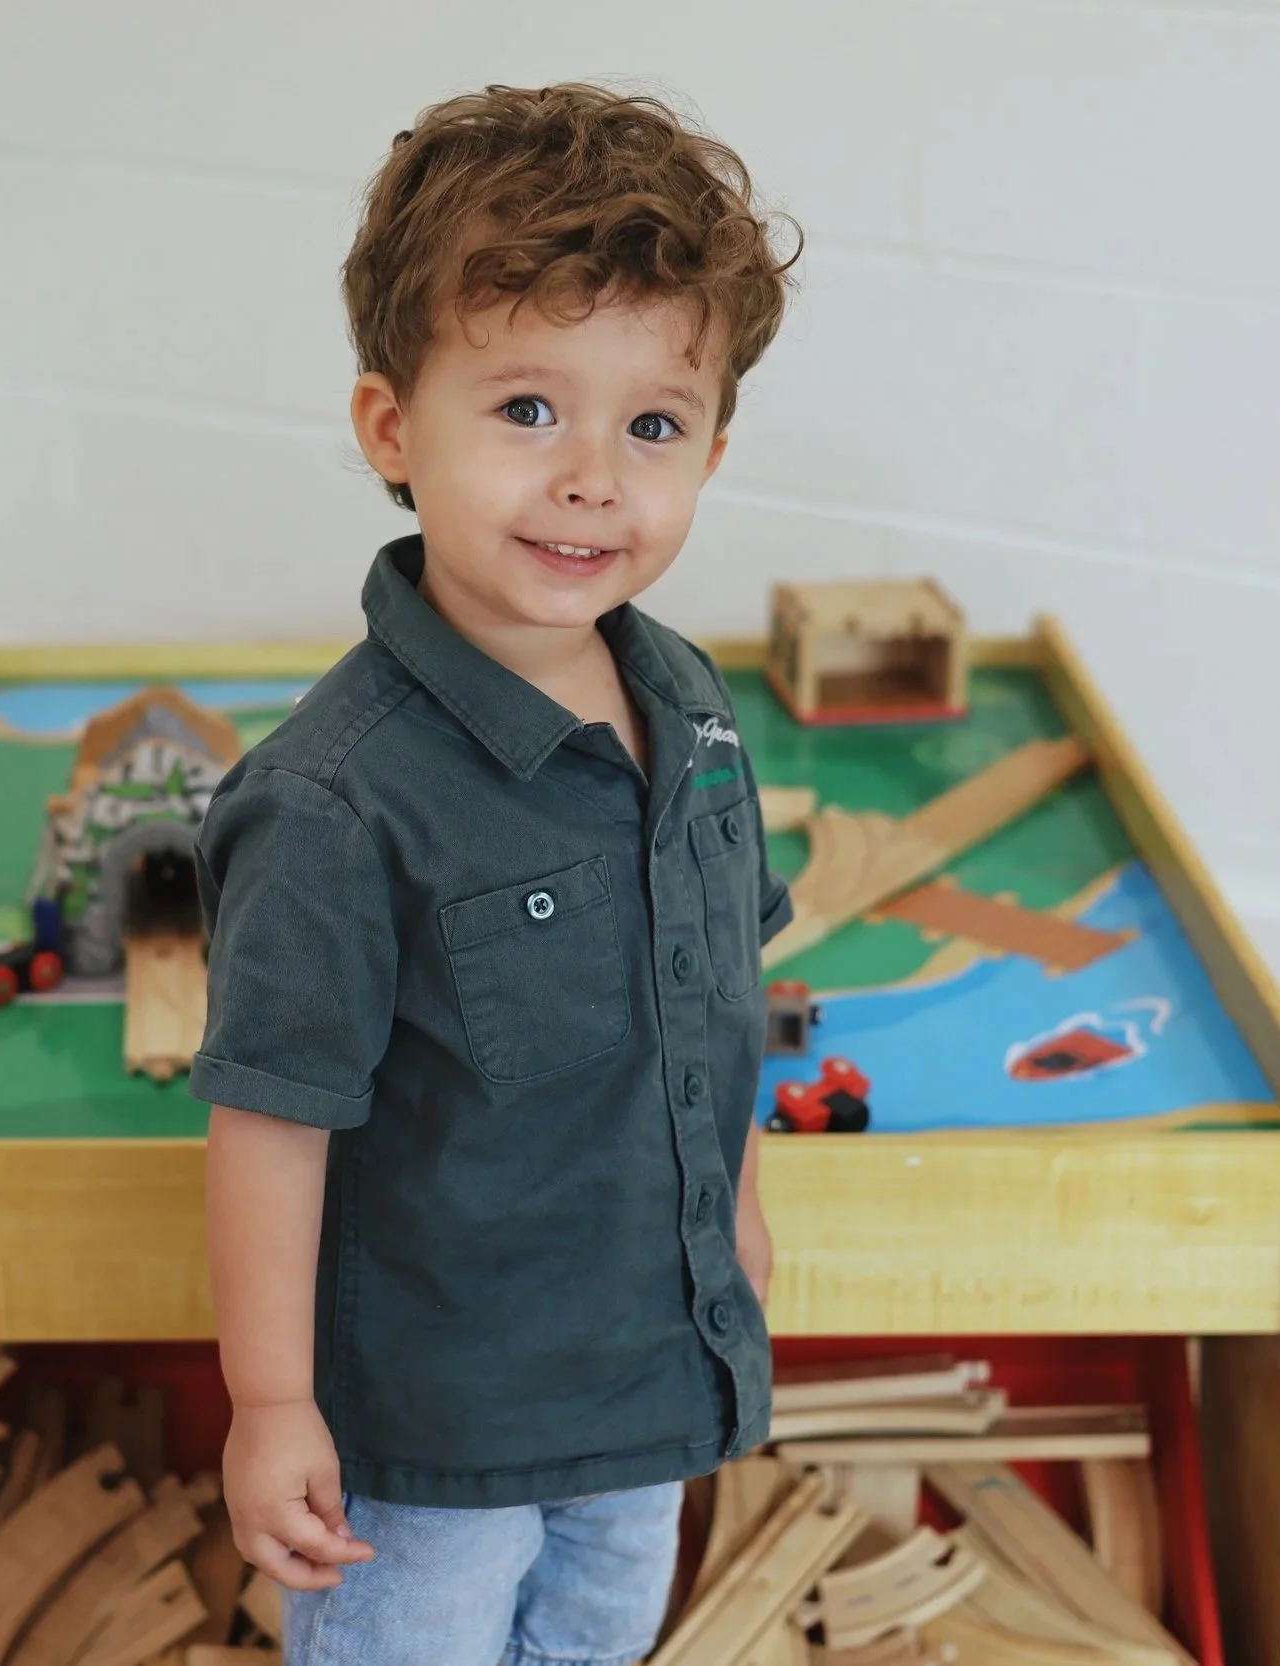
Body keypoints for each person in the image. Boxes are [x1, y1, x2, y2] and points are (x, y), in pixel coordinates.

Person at [191, 81, 803, 1666]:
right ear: (395, 428)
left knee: (596, 1636)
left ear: (710, 449)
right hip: (431, 1427)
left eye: (650, 425)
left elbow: (718, 1000)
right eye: (529, 410)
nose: (593, 475)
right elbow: (271, 1118)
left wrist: (736, 1220)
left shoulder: (694, 712)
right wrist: (269, 1399)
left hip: (645, 1367)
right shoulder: (335, 800)